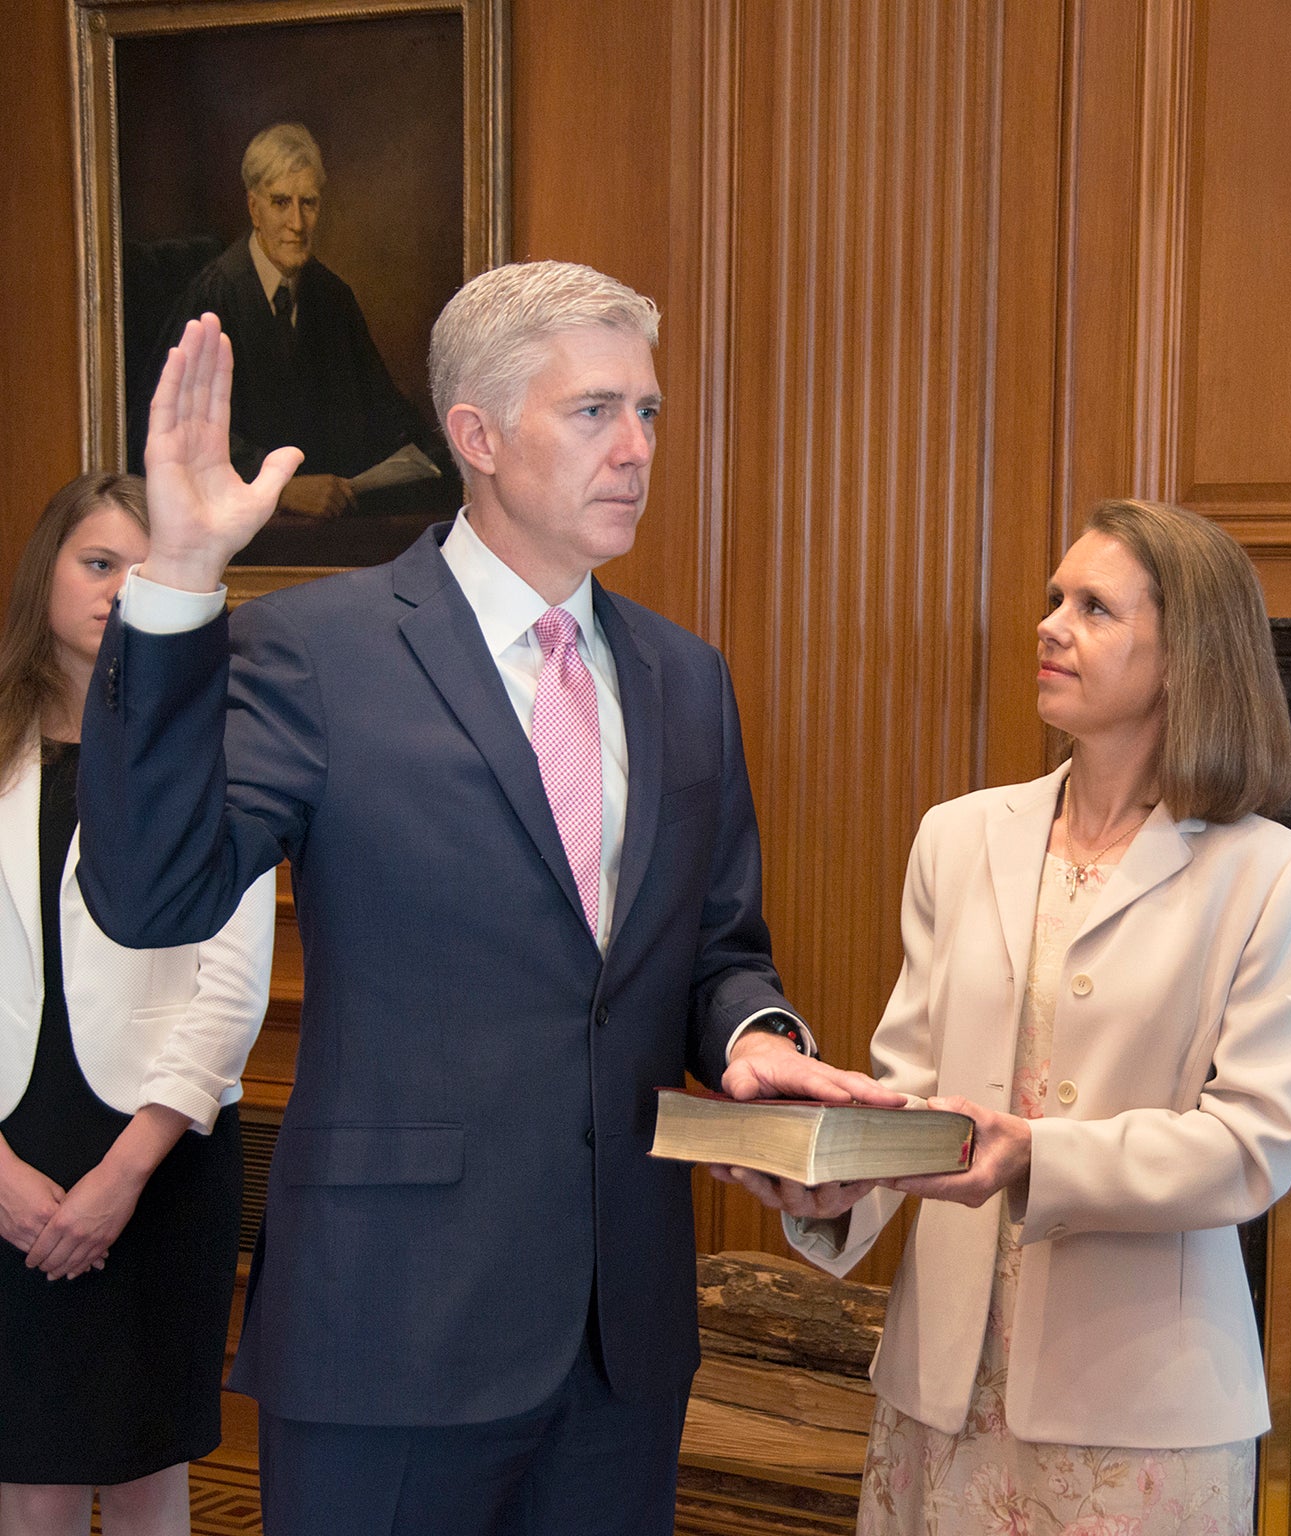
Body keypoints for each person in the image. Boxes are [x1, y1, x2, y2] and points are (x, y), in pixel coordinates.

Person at [76, 263, 895, 1536]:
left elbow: (716, 952)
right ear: (476, 436)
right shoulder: (318, 649)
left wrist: (759, 1046)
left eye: (651, 413)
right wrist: (179, 580)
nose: (636, 448)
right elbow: (150, 893)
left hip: (619, 1341)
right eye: (594, 412)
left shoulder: (686, 679)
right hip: (389, 1325)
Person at [727, 500, 1291, 1536]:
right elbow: (910, 1087)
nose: (1050, 624)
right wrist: (828, 1183)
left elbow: (1252, 1150)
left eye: (1093, 608)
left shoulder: (1275, 876)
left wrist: (1032, 1157)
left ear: (1186, 654)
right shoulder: (956, 837)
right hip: (940, 1396)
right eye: (1054, 598)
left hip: (1147, 1413)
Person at [0, 473, 275, 1535]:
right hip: (12, 1146)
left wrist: (121, 1179)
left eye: (146, 569)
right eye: (98, 562)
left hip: (161, 1150)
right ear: (47, 575)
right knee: (27, 1474)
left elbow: (231, 985)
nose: (120, 590)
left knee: (152, 1466)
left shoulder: (222, 747)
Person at [146, 122, 451, 524]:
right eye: (280, 203)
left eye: (308, 203)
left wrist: (435, 450)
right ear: (254, 208)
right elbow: (178, 429)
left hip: (329, 528)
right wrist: (282, 489)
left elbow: (381, 407)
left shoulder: (332, 297)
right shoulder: (214, 297)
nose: (297, 223)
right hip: (238, 531)